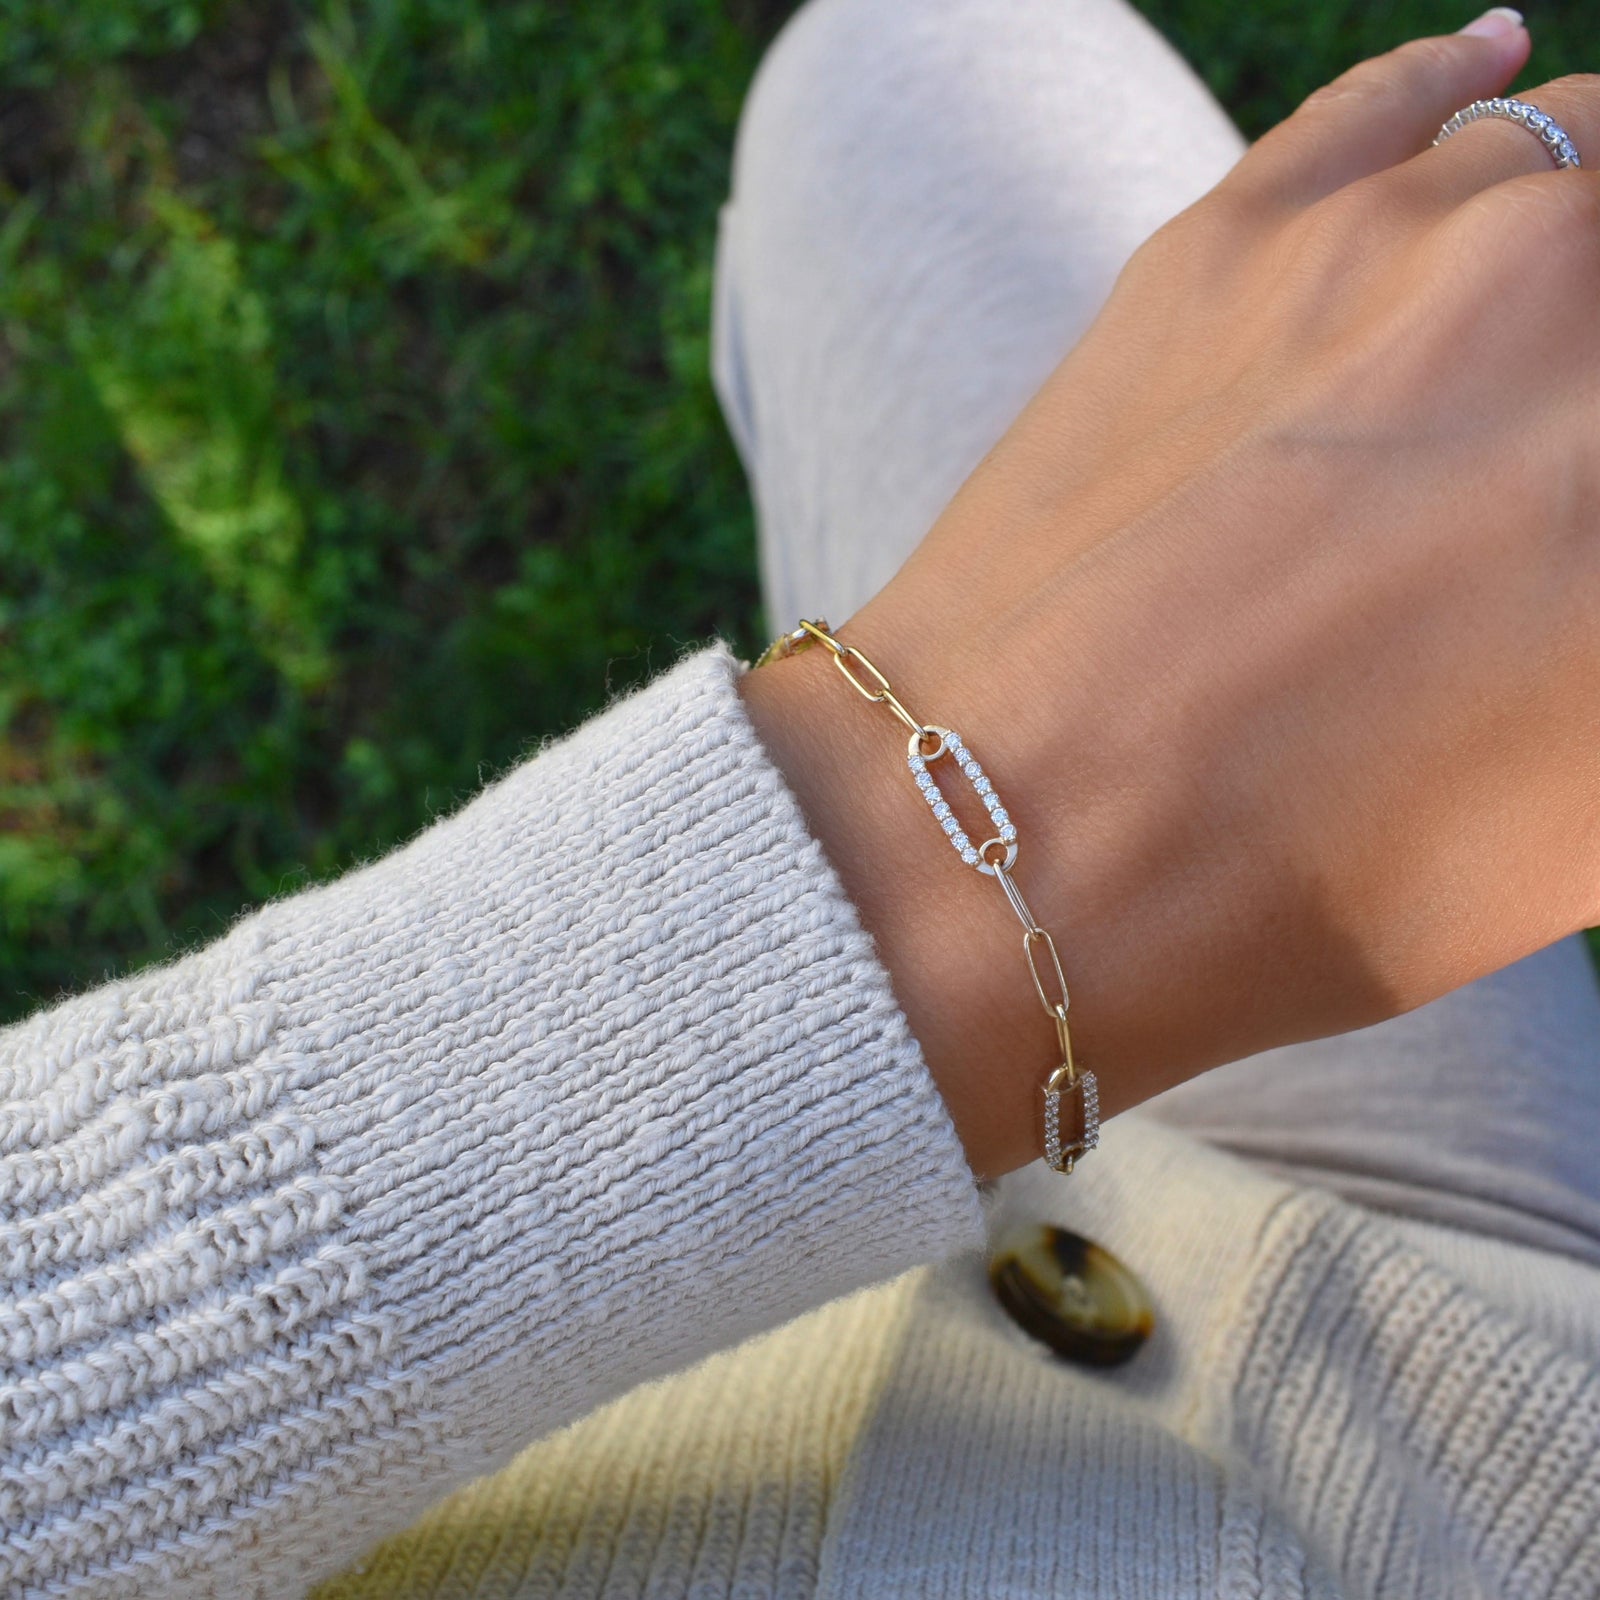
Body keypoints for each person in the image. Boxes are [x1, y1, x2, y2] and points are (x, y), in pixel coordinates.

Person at [4, 0, 1600, 1594]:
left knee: (924, 65)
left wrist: (895, 831)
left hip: (1154, 1230)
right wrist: (970, 889)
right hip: (1487, 1465)